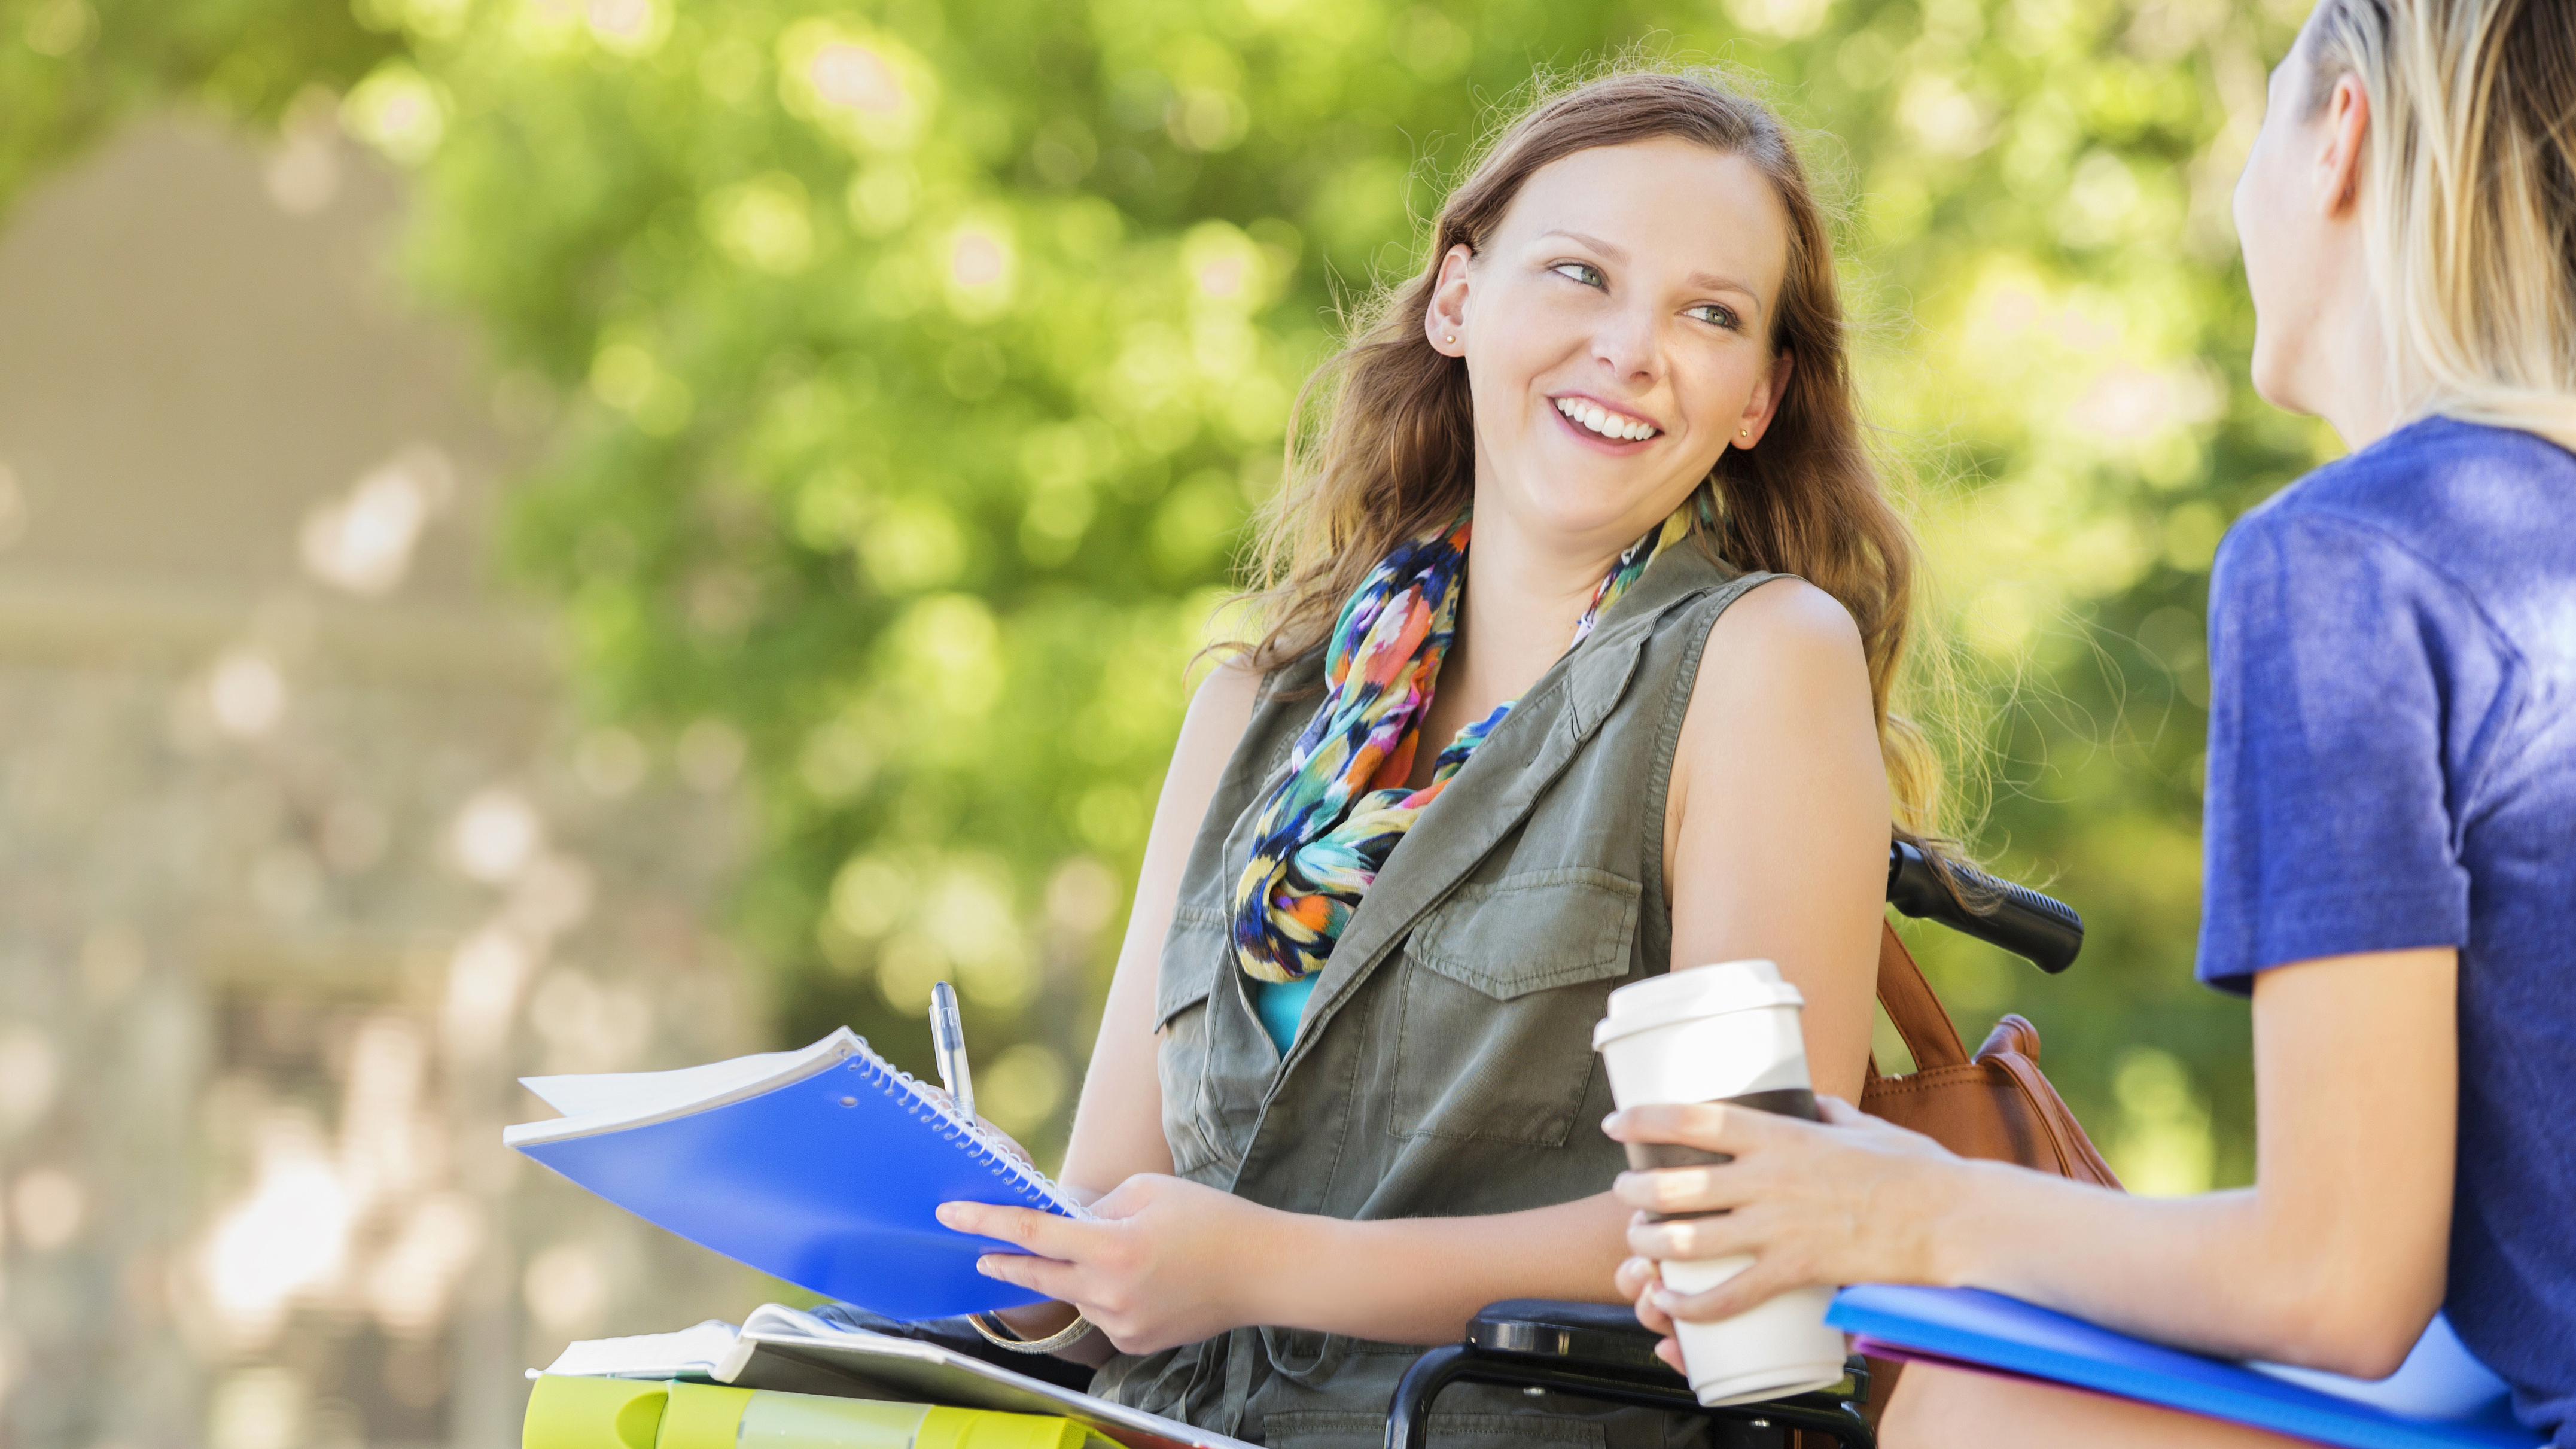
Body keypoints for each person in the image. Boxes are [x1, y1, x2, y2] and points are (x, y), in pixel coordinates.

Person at [1606, 2, 2576, 1446]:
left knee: (1968, 1413)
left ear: (2341, 140)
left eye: (2257, 117)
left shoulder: (2355, 561)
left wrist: (1904, 1204)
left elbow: (2336, 1275)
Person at [933, 70, 1941, 1448]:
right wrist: (963, 1240)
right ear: (1456, 298)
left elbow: (1749, 1221)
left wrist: (1256, 1264)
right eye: (1579, 274)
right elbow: (1103, 1217)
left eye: (1706, 313)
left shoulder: (1758, 659)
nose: (1631, 349)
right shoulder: (1252, 710)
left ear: (1759, 396)